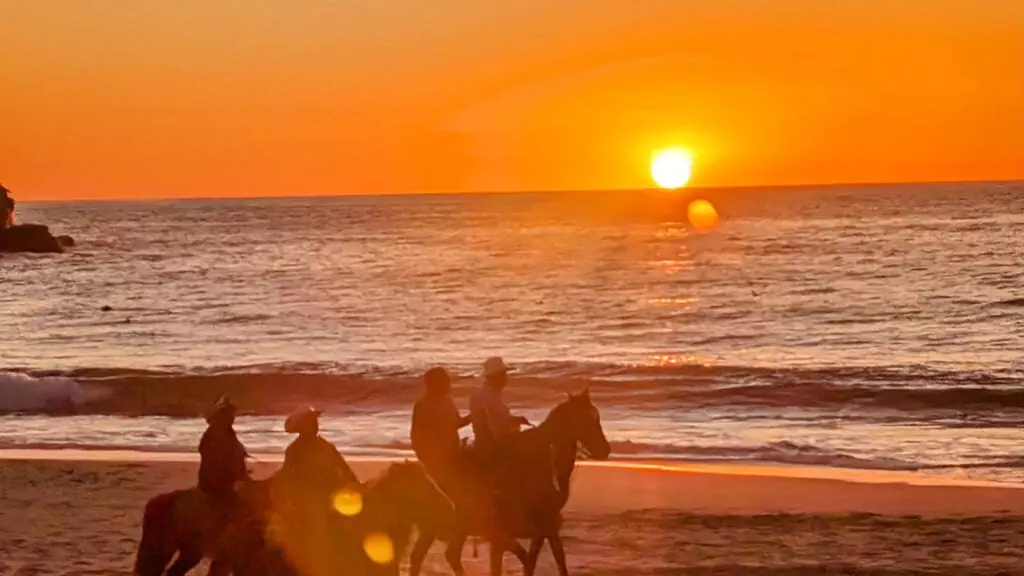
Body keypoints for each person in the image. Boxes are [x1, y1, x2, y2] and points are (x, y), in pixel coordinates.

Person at [410, 366, 472, 487]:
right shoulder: (423, 406)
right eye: (445, 381)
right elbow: (416, 436)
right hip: (435, 459)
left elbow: (456, 423)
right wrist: (426, 457)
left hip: (452, 454)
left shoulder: (448, 401)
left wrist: (472, 417)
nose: (449, 384)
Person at [280, 407, 358, 500]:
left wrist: (353, 483)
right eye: (311, 422)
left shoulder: (325, 446)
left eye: (315, 421)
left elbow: (342, 466)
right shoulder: (295, 450)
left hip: (330, 492)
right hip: (310, 496)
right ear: (301, 427)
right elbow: (288, 477)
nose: (316, 425)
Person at [469, 357, 530, 456]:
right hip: (494, 446)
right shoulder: (483, 396)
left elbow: (496, 420)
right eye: (503, 375)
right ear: (494, 377)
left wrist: (514, 420)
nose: (506, 378)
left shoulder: (493, 394)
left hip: (498, 442)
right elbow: (489, 427)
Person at [197, 396, 250, 506]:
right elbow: (216, 463)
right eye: (228, 414)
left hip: (228, 479)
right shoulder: (213, 435)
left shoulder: (228, 432)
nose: (232, 417)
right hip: (216, 482)